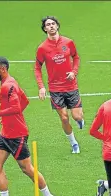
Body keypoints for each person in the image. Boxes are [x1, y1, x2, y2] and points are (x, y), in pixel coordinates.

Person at [0, 57, 57, 196]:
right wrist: (8, 120)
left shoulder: (8, 86)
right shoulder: (10, 82)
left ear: (3, 69)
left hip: (17, 136)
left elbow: (16, 107)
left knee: (27, 169)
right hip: (5, 133)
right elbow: (25, 101)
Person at [34, 16, 83, 154]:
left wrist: (74, 72)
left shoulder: (68, 42)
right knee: (64, 117)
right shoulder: (42, 48)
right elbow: (37, 68)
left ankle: (80, 120)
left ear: (57, 26)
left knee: (77, 116)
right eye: (48, 25)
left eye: (53, 24)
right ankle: (74, 143)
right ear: (45, 29)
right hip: (55, 89)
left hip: (71, 86)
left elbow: (76, 57)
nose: (51, 26)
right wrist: (41, 86)